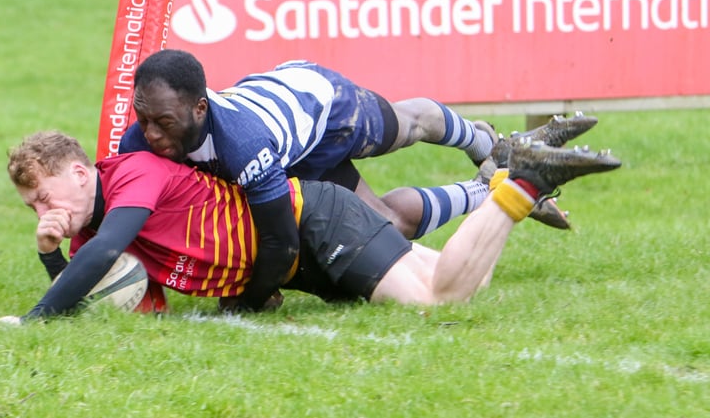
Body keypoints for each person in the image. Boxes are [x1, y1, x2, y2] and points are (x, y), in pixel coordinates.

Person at [118, 49, 596, 310]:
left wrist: (248, 297)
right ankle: (493, 189)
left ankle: (484, 142)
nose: (152, 132)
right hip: (286, 160)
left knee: (411, 127)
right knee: (391, 227)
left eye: (164, 121)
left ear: (199, 108)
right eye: (145, 120)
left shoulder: (242, 141)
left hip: (322, 107)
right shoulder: (139, 142)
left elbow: (281, 240)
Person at [0, 130, 620, 323]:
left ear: (80, 172)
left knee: (441, 299)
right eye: (32, 208)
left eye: (45, 197)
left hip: (313, 219)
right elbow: (135, 313)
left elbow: (108, 245)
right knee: (466, 286)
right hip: (302, 262)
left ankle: (524, 182)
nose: (44, 211)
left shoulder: (132, 173)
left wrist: (31, 322)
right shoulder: (83, 236)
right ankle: (516, 177)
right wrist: (53, 254)